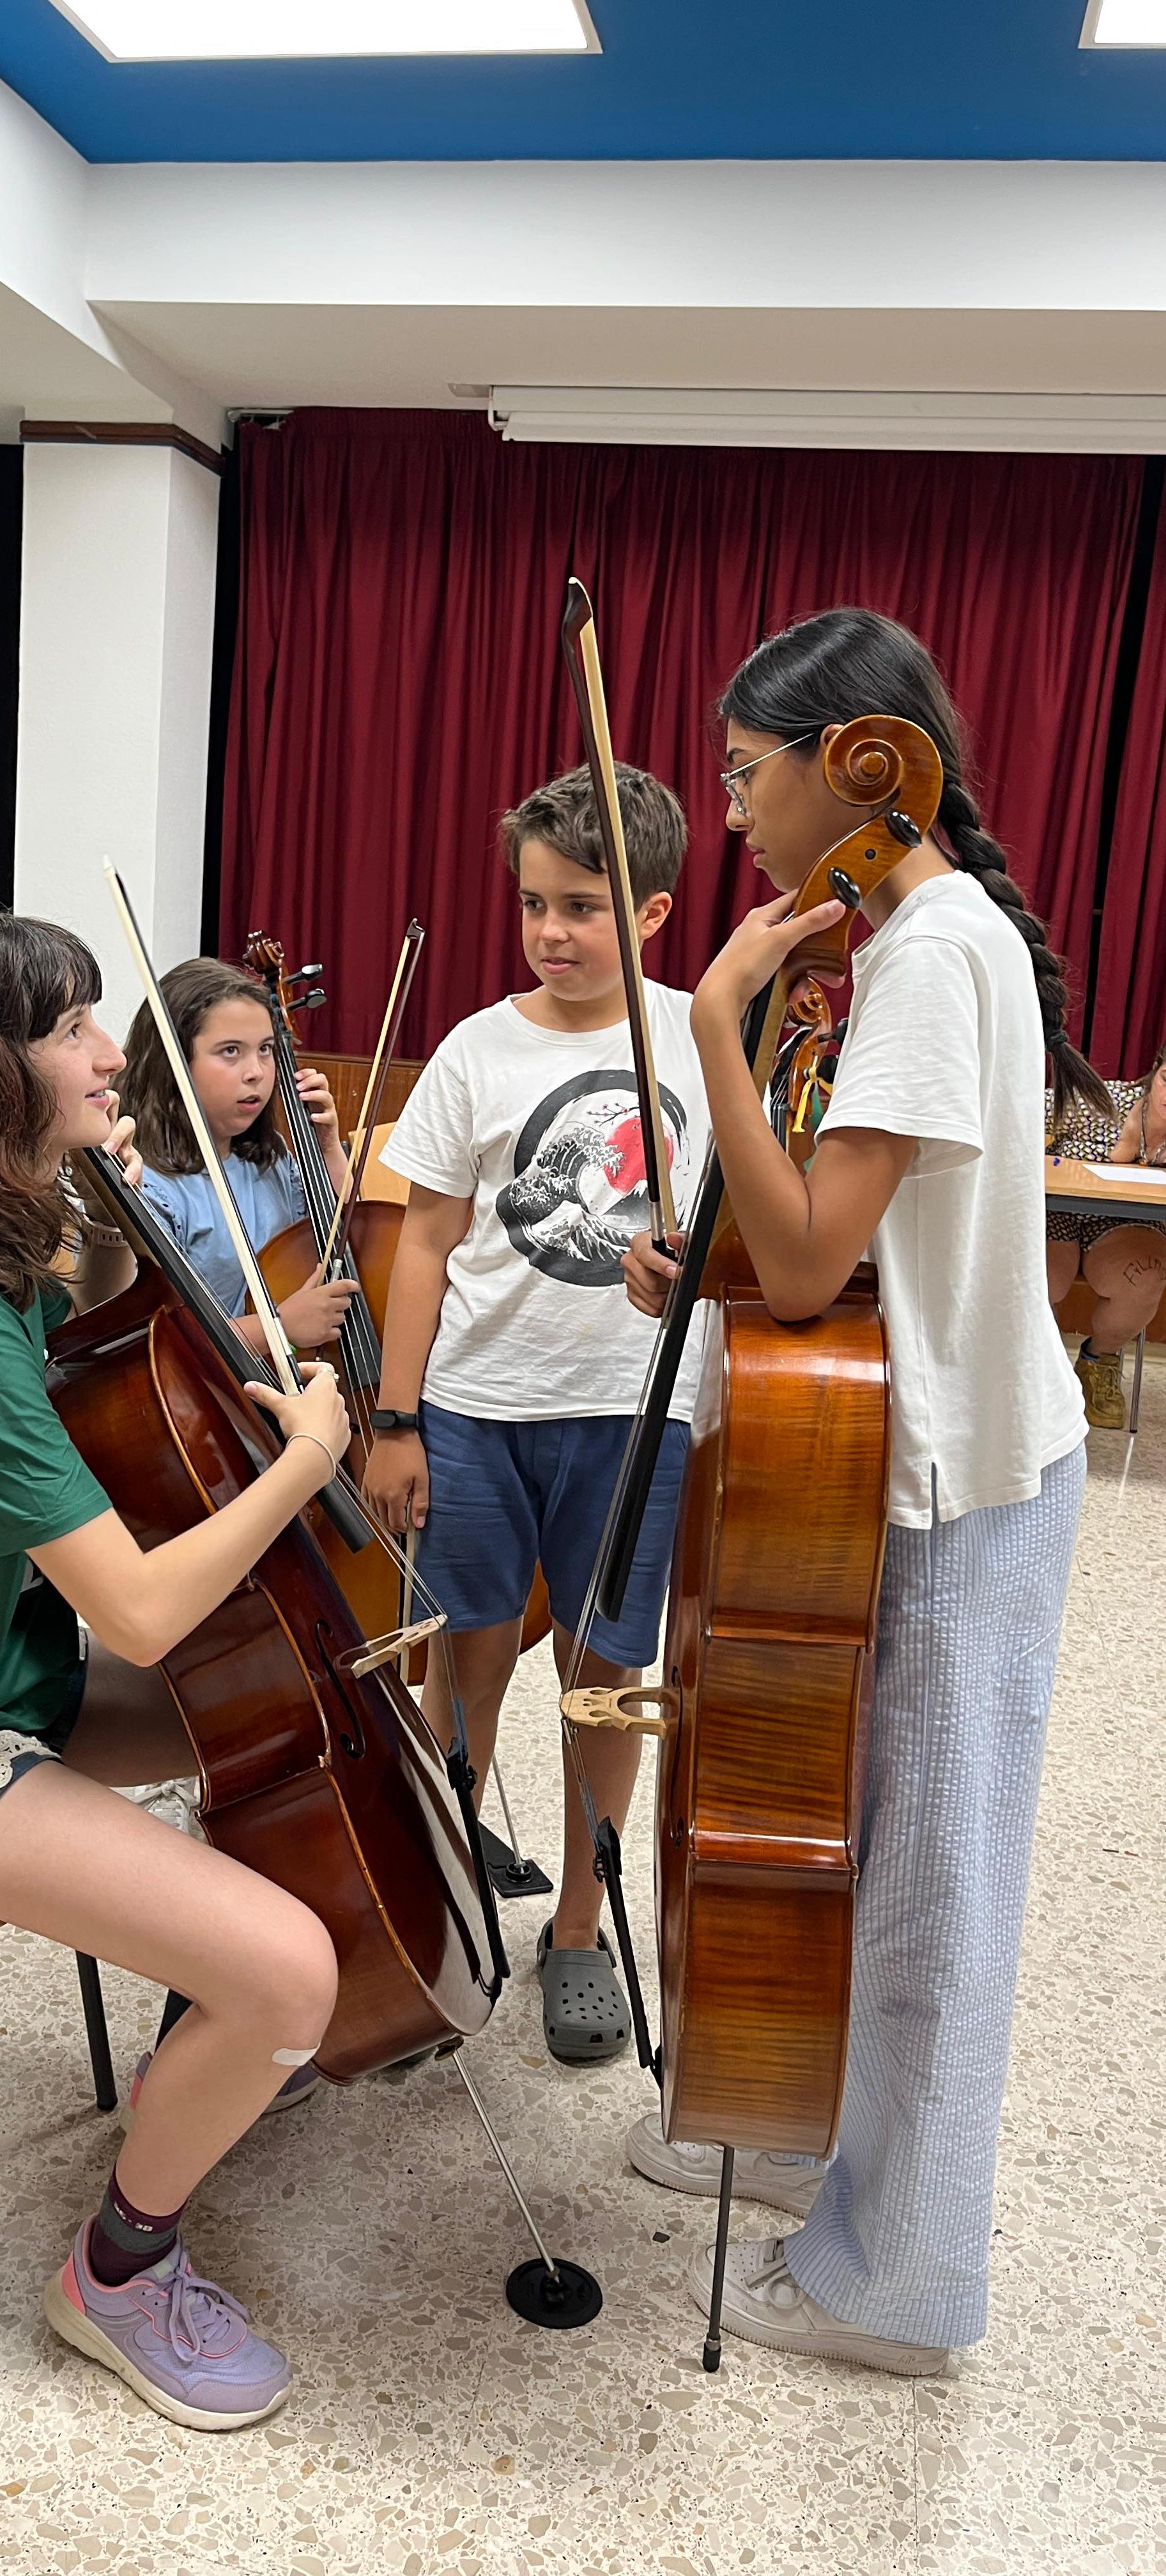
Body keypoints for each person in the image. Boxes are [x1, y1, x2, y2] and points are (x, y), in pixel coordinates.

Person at [0, 912, 350, 2430]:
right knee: (295, 1966)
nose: (114, 1056)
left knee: (282, 1708)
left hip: (3, 1685)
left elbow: (109, 1360)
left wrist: (129, 1228)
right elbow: (145, 1611)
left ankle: (217, 2033)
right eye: (73, 1029)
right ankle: (118, 2272)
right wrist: (305, 1461)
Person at [624, 609, 1093, 2375]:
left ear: (855, 762)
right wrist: (708, 1264)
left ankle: (898, 2291)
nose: (734, 813)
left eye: (748, 775)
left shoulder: (929, 951)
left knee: (928, 1902)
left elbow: (820, 1259)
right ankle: (810, 2150)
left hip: (966, 1483)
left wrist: (715, 1021)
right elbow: (840, 1240)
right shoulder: (910, 933)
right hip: (939, 1452)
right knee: (879, 1862)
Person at [362, 763, 710, 2067]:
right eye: (531, 904)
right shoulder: (476, 1048)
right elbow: (423, 1240)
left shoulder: (699, 1039)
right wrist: (395, 1416)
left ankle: (578, 1926)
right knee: (464, 1657)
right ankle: (450, 1903)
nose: (550, 932)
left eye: (581, 906)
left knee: (603, 1678)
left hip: (634, 1414)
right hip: (476, 1404)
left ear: (653, 912)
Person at [121, 956, 361, 1355]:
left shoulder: (270, 1160)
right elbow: (154, 1339)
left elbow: (348, 1236)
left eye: (266, 1049)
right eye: (231, 1051)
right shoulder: (147, 1183)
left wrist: (328, 1147)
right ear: (172, 1060)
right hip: (202, 1386)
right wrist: (279, 1329)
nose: (257, 1072)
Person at [1046, 1039, 1166, 1427]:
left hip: (1124, 1224)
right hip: (1057, 1212)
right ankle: (1040, 1365)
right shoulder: (1098, 1101)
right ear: (1154, 1073)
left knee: (1147, 1276)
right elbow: (1016, 1117)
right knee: (1045, 1281)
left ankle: (1099, 1361)